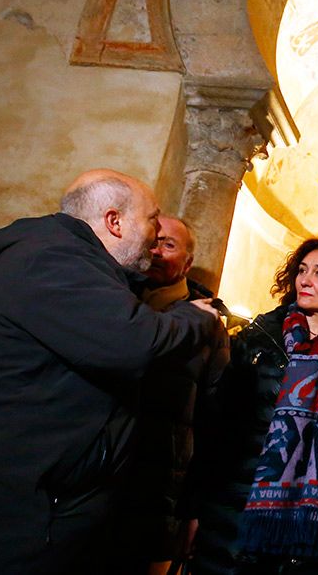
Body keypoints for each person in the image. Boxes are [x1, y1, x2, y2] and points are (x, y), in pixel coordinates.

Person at [0, 169, 226, 575]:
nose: (155, 236)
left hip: (28, 523)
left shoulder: (81, 267)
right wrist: (195, 316)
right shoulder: (49, 258)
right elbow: (132, 342)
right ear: (114, 222)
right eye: (151, 220)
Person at [187, 238, 318, 575]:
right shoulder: (261, 337)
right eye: (302, 270)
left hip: (317, 527)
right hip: (235, 512)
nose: (305, 280)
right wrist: (192, 507)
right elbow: (217, 424)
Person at [106, 215, 231, 575]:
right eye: (153, 242)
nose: (157, 252)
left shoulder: (207, 326)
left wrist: (194, 507)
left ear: (188, 263)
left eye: (169, 245)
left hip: (156, 491)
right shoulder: (111, 303)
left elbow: (214, 419)